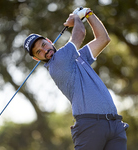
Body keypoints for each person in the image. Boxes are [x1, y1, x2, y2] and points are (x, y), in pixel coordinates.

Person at [23, 7, 129, 150]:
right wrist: (76, 18)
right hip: (90, 125)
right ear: (36, 58)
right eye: (39, 52)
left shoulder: (77, 57)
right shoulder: (58, 63)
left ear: (48, 40)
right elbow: (79, 33)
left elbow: (103, 38)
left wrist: (88, 13)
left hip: (114, 124)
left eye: (43, 45)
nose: (45, 51)